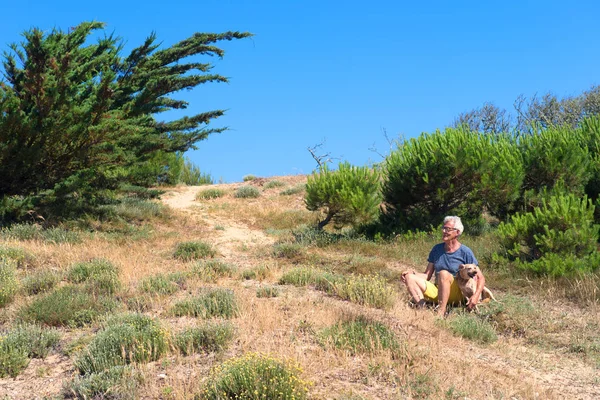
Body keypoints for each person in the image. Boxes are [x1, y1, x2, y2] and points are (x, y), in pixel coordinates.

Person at [400, 216, 486, 316]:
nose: (444, 231)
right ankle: (422, 309)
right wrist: (413, 273)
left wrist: (475, 296)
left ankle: (441, 312)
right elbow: (427, 275)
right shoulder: (437, 249)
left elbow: (481, 278)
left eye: (448, 229)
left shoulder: (465, 252)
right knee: (409, 277)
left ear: (457, 232)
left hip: (458, 293)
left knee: (443, 273)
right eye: (444, 228)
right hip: (438, 290)